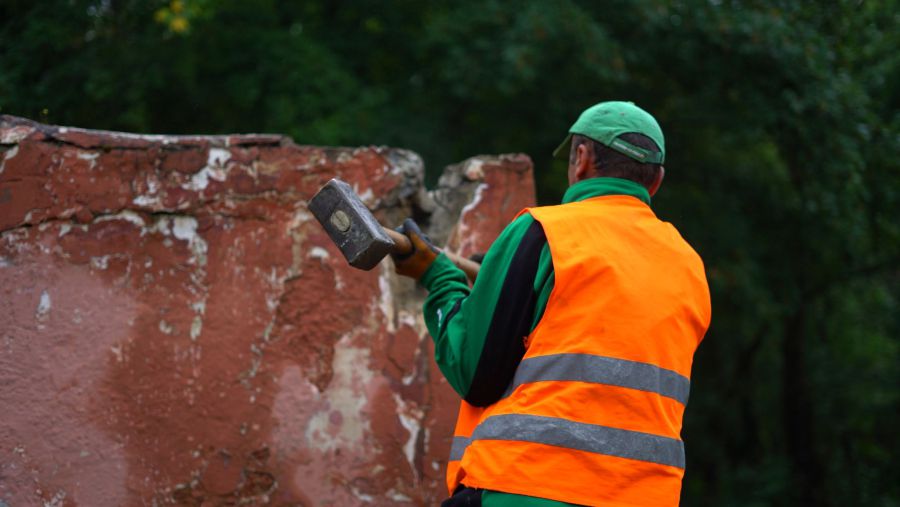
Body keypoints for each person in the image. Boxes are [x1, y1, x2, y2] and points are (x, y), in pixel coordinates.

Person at [392, 101, 711, 507]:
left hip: (527, 487)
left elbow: (474, 373)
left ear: (581, 158)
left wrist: (437, 277)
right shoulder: (689, 266)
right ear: (656, 181)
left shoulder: (545, 232)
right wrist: (497, 279)